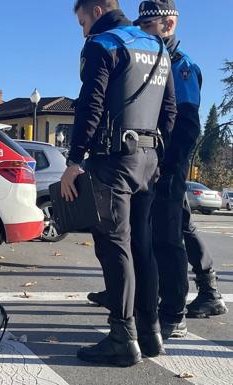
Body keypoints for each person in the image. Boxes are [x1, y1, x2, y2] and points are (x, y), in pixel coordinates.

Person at [88, 0, 228, 337]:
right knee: (145, 233)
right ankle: (133, 296)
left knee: (167, 237)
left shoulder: (181, 66)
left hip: (165, 165)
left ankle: (173, 312)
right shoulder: (150, 57)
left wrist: (166, 166)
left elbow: (186, 125)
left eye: (148, 28)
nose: (143, 33)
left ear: (169, 24)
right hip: (146, 163)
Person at [62, 0, 176, 366]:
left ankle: (122, 337)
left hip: (114, 159)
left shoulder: (103, 44)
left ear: (96, 11)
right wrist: (157, 156)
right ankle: (150, 331)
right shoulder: (157, 47)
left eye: (81, 21)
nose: (82, 30)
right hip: (148, 159)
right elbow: (169, 111)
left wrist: (74, 161)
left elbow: (90, 105)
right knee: (142, 246)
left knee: (115, 246)